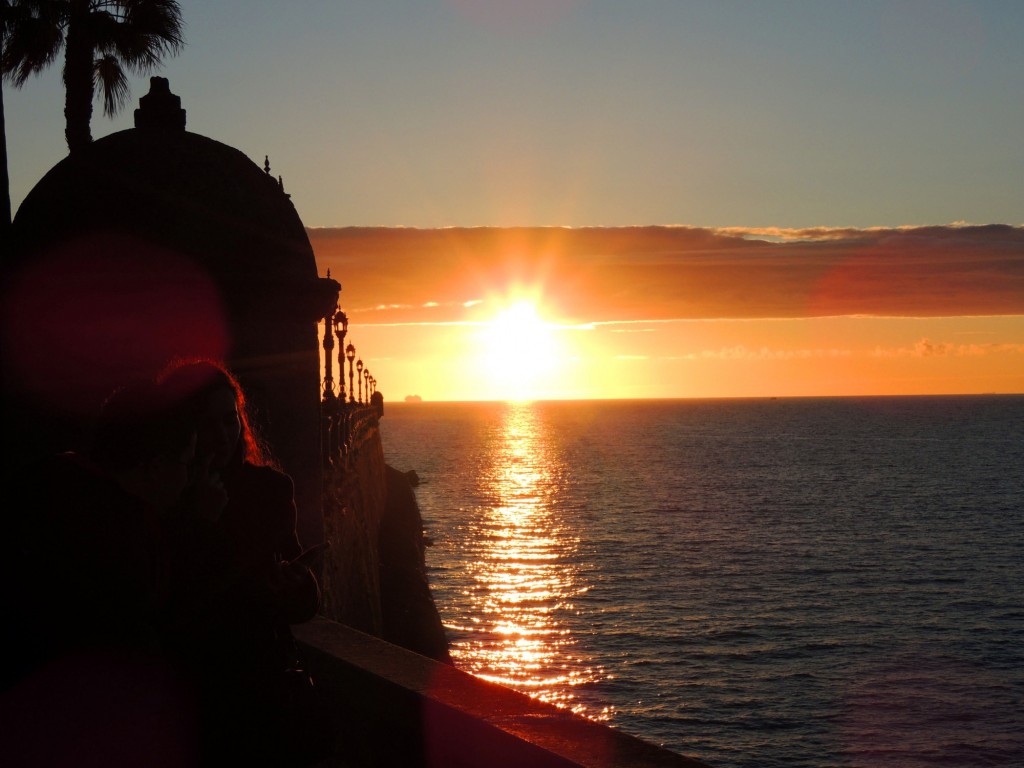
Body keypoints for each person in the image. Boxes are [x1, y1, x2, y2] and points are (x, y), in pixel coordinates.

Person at [3, 379, 203, 765]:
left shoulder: (45, 486)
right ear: (157, 465)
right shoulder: (123, 537)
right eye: (187, 463)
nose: (189, 478)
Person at [156, 358, 328, 766]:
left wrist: (296, 586)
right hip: (190, 687)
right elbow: (171, 594)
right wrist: (200, 522)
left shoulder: (269, 490)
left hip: (258, 681)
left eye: (229, 420)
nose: (222, 435)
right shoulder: (163, 495)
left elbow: (301, 597)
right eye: (206, 423)